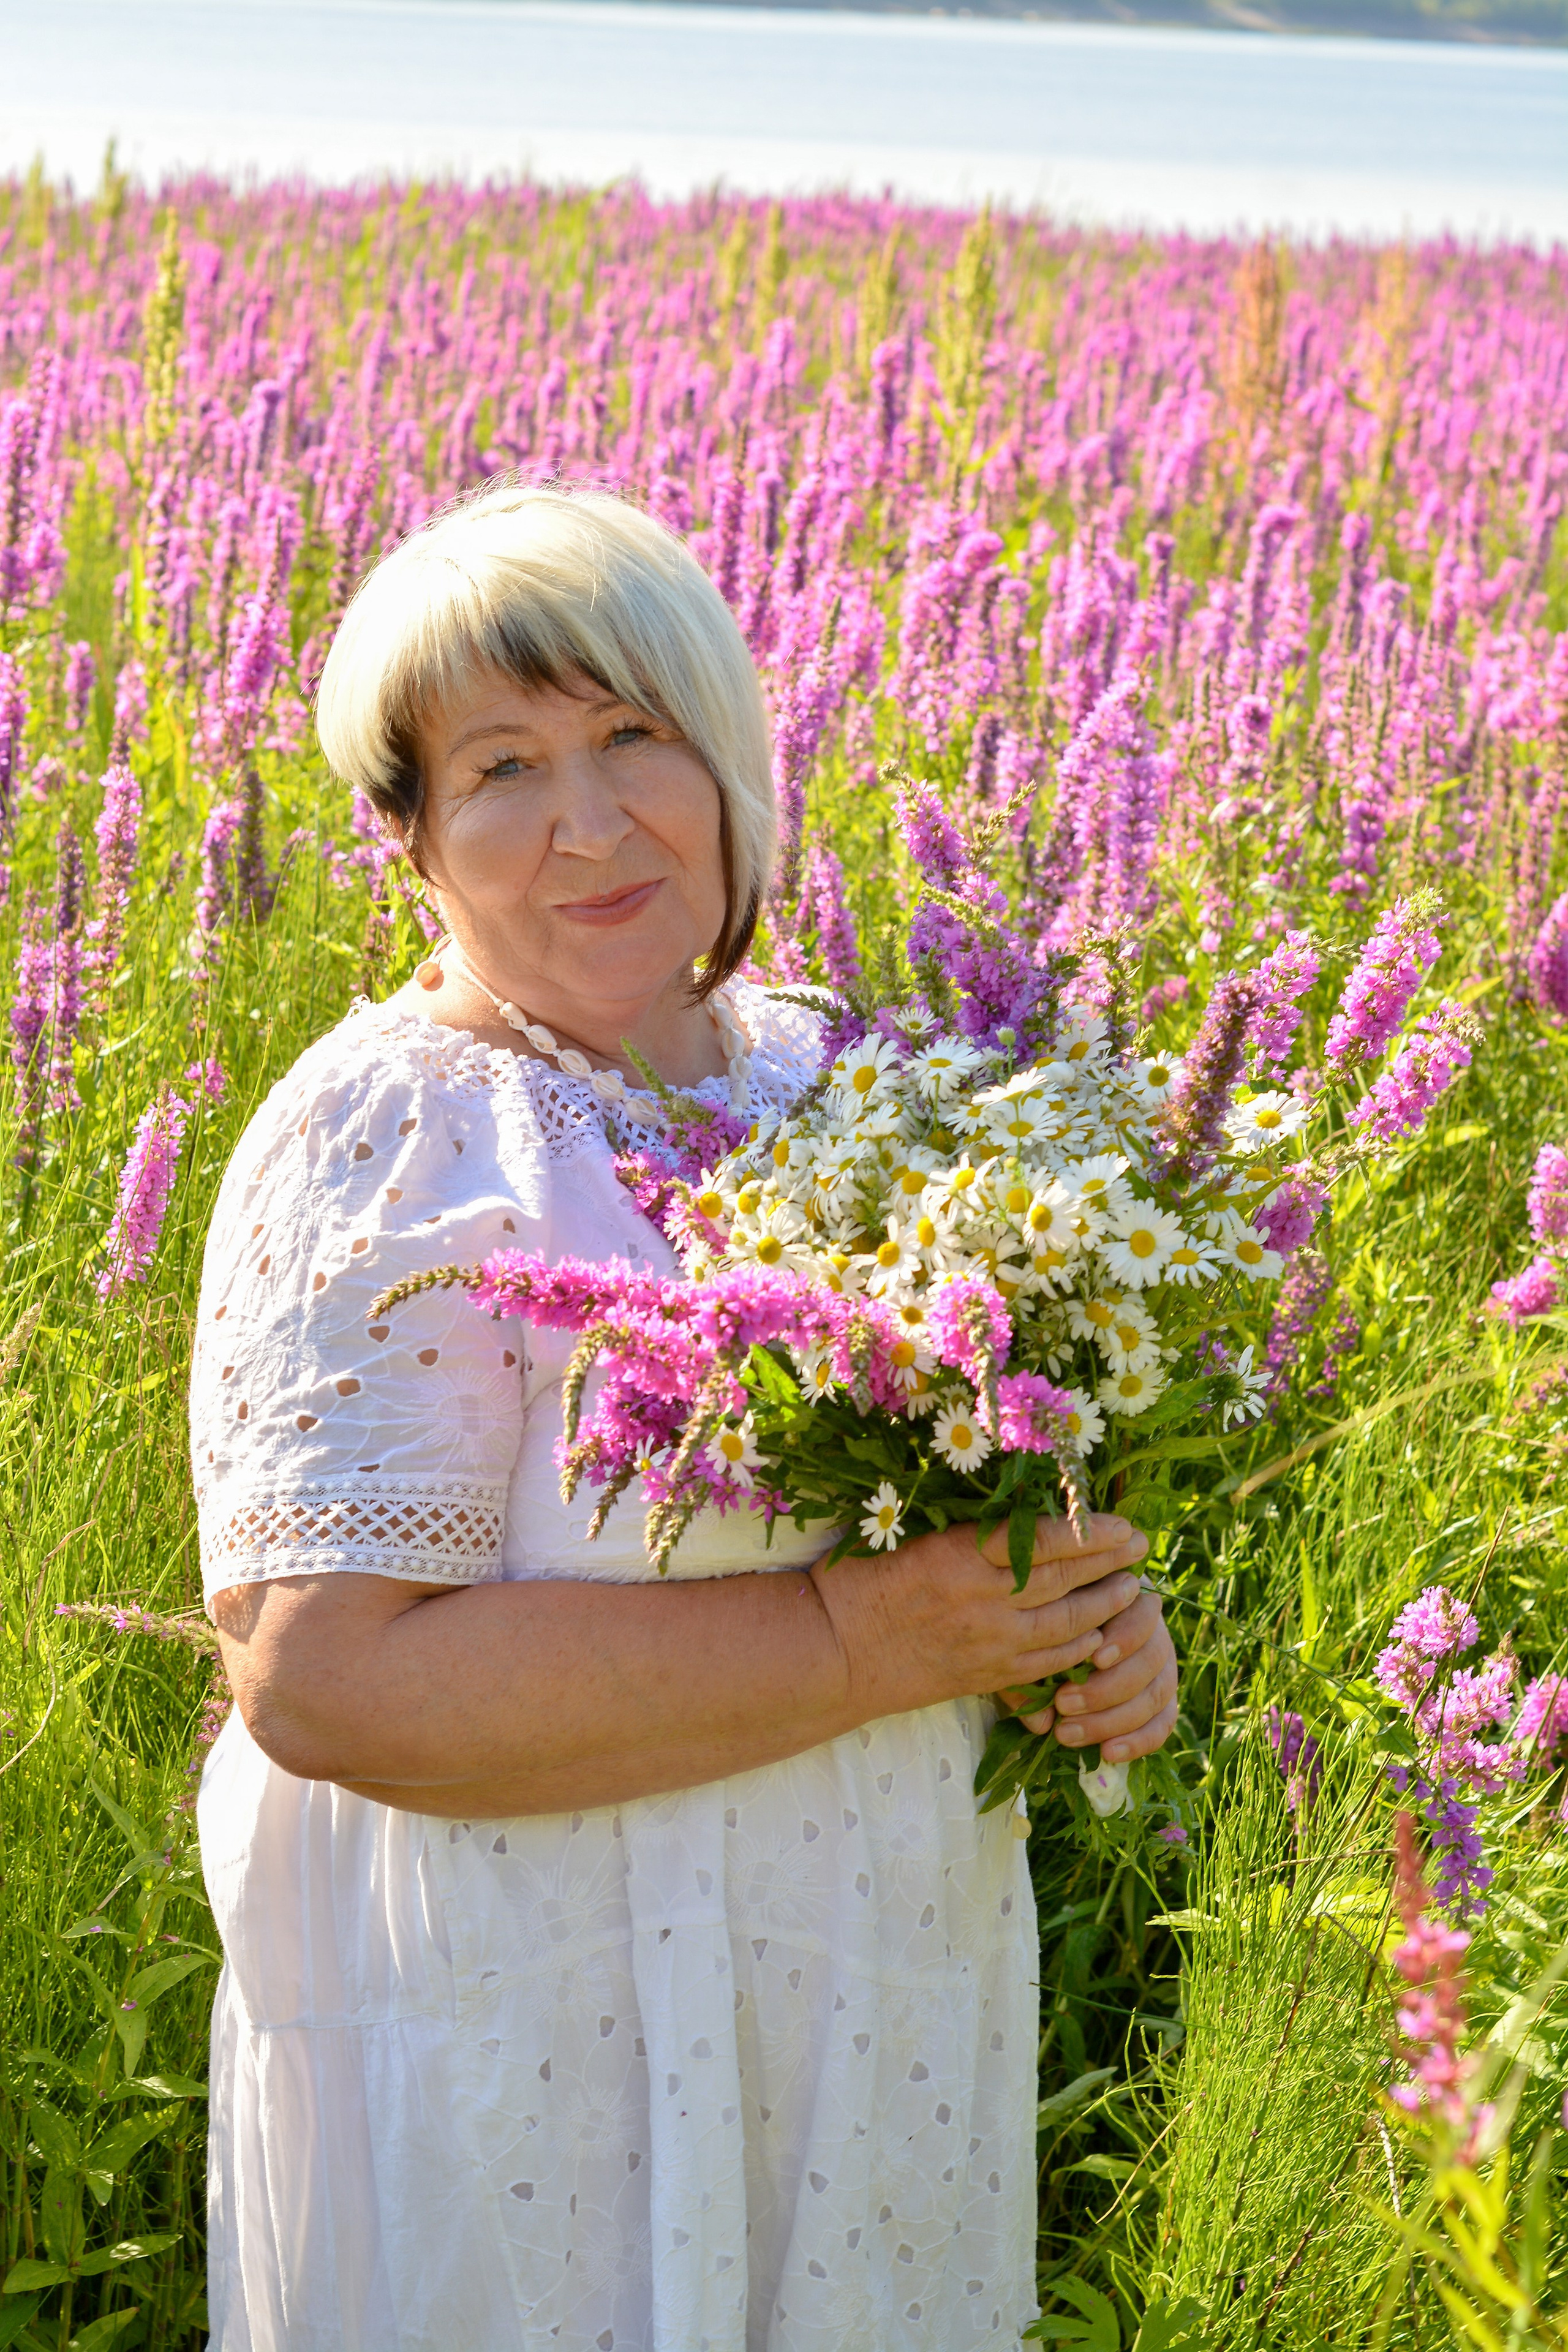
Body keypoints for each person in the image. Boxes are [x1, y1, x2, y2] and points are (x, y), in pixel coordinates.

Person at [192, 479, 1177, 2352]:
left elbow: (981, 1500)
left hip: (861, 2022)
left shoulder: (859, 1078)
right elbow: (323, 1682)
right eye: (500, 766)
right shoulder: (393, 1132)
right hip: (537, 2055)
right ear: (408, 835)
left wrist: (1084, 1635)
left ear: (727, 757)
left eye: (635, 735)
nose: (587, 824)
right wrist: (857, 1638)